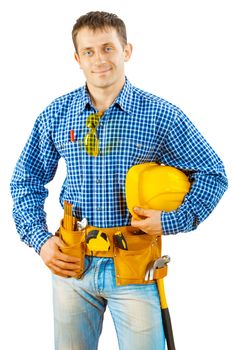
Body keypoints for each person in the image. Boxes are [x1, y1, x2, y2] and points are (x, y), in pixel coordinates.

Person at [10, 11, 228, 350]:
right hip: (72, 265)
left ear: (126, 51)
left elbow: (213, 174)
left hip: (136, 267)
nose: (100, 59)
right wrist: (40, 241)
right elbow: (25, 180)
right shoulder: (56, 114)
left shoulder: (160, 114)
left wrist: (171, 220)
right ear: (77, 58)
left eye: (108, 48)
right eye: (90, 51)